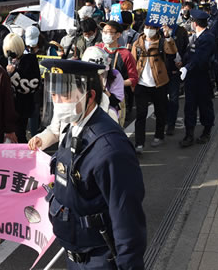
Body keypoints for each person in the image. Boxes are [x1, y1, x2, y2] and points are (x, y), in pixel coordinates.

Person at [38, 58, 146, 269]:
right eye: (53, 95)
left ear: (90, 96)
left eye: (66, 95)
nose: (58, 101)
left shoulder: (110, 148)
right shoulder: (73, 126)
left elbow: (127, 217)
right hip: (75, 254)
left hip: (100, 259)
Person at [131, 24, 177, 153]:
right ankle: (139, 143)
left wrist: (168, 37)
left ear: (157, 29)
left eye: (151, 27)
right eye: (146, 27)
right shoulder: (137, 43)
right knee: (141, 114)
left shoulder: (162, 41)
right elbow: (132, 61)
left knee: (160, 111)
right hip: (141, 83)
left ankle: (159, 135)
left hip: (159, 82)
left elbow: (172, 51)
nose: (148, 30)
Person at [179, 9, 216, 148]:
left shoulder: (207, 37)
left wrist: (187, 68)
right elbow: (190, 55)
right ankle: (189, 134)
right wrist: (182, 63)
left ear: (195, 23)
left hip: (203, 78)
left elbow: (201, 58)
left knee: (204, 105)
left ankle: (206, 132)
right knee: (190, 106)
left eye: (192, 21)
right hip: (191, 79)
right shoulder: (196, 37)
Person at [3, 33, 40, 143]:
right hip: (9, 105)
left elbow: (32, 85)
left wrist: (13, 73)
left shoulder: (30, 60)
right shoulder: (5, 60)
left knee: (20, 134)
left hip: (23, 106)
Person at [97, 20, 138, 116]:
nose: (105, 35)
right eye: (104, 32)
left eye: (109, 32)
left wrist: (117, 83)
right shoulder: (96, 49)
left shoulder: (125, 54)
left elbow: (134, 79)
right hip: (98, 95)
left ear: (118, 35)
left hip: (117, 97)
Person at [82, 46, 124, 123]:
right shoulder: (80, 76)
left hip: (108, 112)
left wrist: (103, 88)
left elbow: (115, 101)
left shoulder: (115, 75)